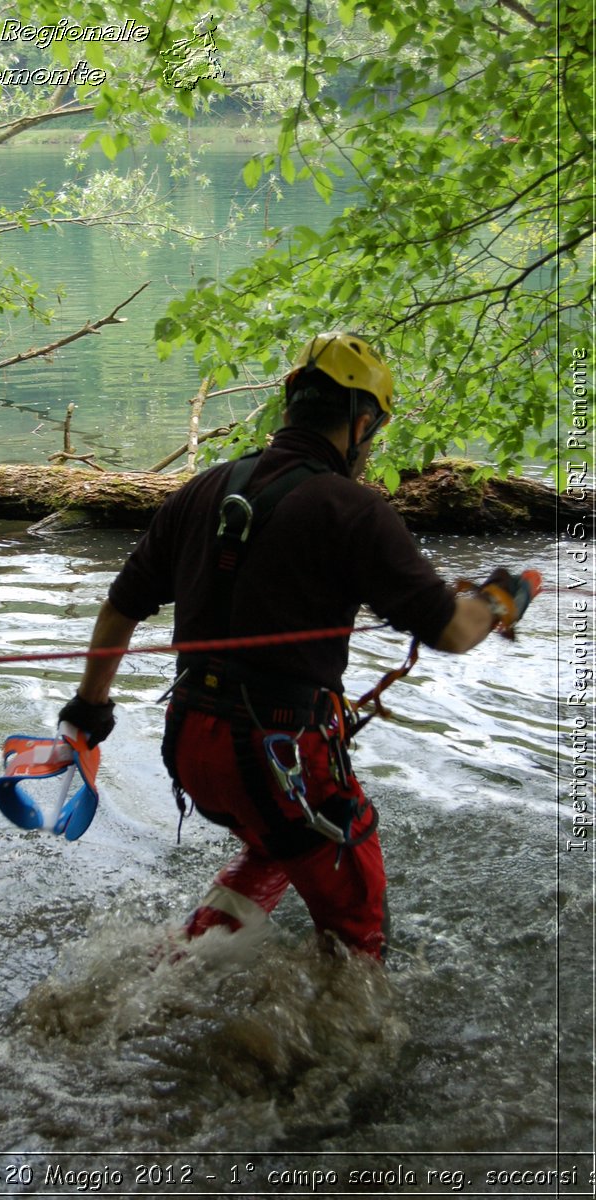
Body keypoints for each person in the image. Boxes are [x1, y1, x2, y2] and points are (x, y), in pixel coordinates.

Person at [59, 332, 538, 960]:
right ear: (362, 422)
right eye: (374, 431)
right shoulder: (354, 510)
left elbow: (121, 607)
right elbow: (452, 630)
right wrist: (502, 599)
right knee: (356, 920)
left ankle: (177, 968)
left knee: (277, 842)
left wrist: (89, 712)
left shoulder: (202, 490)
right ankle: (347, 1040)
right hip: (280, 754)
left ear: (292, 409)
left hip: (192, 747)